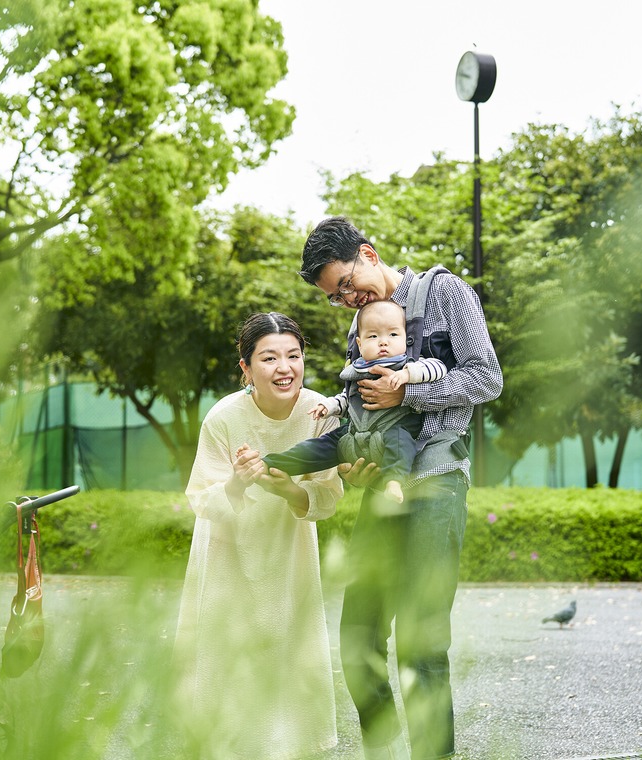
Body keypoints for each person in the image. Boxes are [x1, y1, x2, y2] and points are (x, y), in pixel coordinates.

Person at [297, 216, 502, 760]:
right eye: (334, 296)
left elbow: (487, 377)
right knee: (357, 640)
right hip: (382, 491)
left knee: (422, 644)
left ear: (368, 253)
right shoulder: (357, 328)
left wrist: (407, 393)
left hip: (436, 484)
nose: (345, 300)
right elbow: (362, 414)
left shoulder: (446, 292)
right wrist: (353, 460)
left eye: (345, 284)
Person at [171, 312, 343, 759]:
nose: (284, 367)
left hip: (289, 551)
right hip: (227, 552)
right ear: (246, 368)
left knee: (290, 650)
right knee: (227, 658)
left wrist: (286, 487)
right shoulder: (224, 417)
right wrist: (237, 482)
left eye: (293, 355)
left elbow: (327, 499)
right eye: (268, 358)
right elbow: (202, 501)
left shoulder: (319, 412)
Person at [261, 299, 448, 505]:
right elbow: (348, 399)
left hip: (393, 428)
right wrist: (330, 406)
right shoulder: (356, 369)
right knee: (319, 447)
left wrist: (407, 376)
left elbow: (439, 367)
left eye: (393, 334)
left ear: (406, 337)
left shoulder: (410, 364)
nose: (383, 342)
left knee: (400, 441)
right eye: (373, 336)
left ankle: (394, 481)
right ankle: (272, 464)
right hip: (354, 431)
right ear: (360, 343)